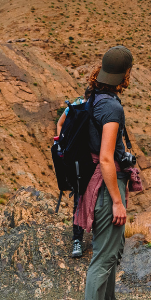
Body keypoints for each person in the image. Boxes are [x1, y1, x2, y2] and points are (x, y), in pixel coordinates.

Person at [73, 45, 143, 300]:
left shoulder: (91, 99)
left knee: (112, 251)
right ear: (125, 74)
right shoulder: (112, 108)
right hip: (105, 188)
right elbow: (105, 158)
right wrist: (116, 200)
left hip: (96, 183)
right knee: (103, 256)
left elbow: (61, 127)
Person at [55, 97, 88, 258]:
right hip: (87, 159)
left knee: (79, 200)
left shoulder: (74, 106)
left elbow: (59, 124)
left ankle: (77, 241)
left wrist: (62, 143)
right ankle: (78, 239)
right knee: (83, 199)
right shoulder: (85, 107)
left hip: (74, 161)